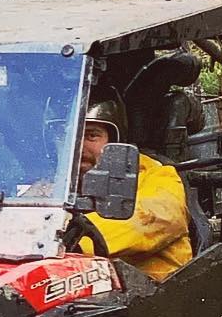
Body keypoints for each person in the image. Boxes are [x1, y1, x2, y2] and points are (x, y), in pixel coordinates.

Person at [76, 97, 192, 282]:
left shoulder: (160, 177)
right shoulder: (52, 187)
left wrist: (72, 242)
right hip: (84, 292)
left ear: (116, 143)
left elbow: (147, 219)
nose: (79, 147)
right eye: (70, 135)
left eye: (91, 136)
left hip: (153, 298)